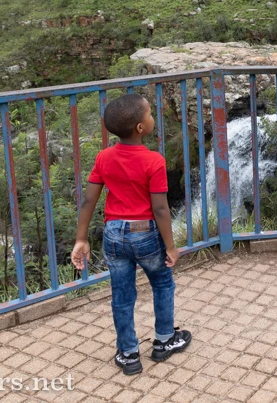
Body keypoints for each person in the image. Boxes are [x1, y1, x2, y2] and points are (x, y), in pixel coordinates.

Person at [72, 93, 191, 375]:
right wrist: (171, 247)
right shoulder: (154, 161)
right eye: (149, 115)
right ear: (140, 128)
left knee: (122, 295)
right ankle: (164, 341)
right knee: (162, 284)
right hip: (145, 233)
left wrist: (81, 238)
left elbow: (89, 201)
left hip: (114, 234)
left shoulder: (104, 157)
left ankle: (128, 353)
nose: (152, 119)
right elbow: (161, 209)